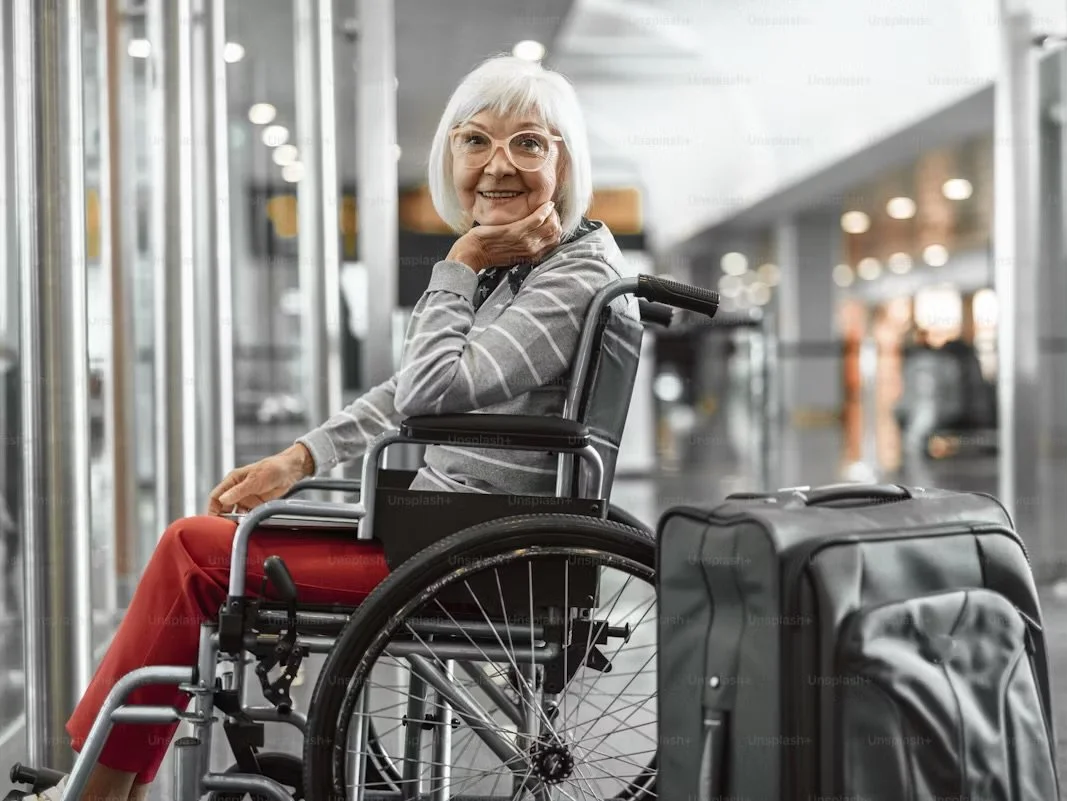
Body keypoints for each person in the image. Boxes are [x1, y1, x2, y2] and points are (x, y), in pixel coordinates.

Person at [26, 53, 637, 801]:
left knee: (193, 552)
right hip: (452, 535)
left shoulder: (567, 275)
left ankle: (95, 792)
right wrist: (301, 456)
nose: (496, 166)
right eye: (475, 141)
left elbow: (430, 388)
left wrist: (459, 262)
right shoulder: (544, 265)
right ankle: (106, 785)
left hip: (464, 552)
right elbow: (416, 396)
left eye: (528, 143)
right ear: (451, 153)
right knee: (204, 543)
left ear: (566, 160)